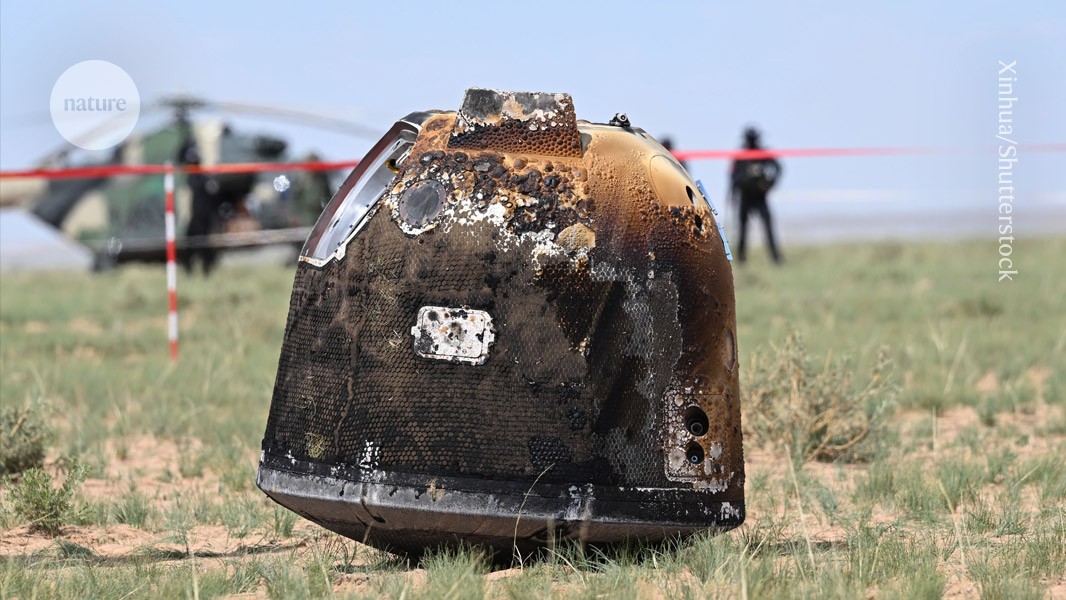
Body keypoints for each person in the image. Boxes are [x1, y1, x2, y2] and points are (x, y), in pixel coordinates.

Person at [729, 126, 783, 264]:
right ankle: (741, 259)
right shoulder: (740, 157)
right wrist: (733, 195)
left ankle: (776, 259)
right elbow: (733, 177)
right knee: (743, 229)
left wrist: (769, 184)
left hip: (760, 196)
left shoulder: (763, 155)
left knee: (768, 227)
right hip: (745, 196)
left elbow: (778, 169)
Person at [176, 118, 220, 275]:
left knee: (200, 243)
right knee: (192, 243)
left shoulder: (202, 179)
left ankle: (205, 267)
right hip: (196, 217)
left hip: (202, 217)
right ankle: (194, 268)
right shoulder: (193, 178)